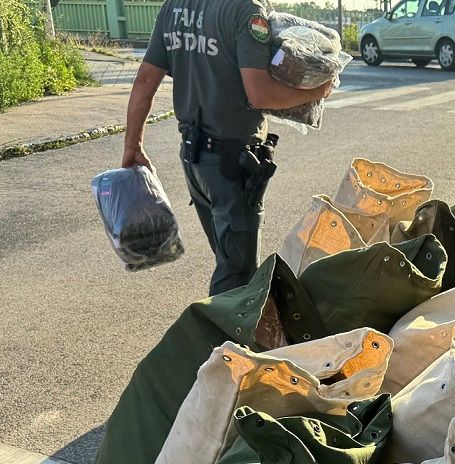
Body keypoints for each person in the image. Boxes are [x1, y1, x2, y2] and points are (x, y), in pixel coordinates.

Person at [122, 0, 333, 296]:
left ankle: (231, 335)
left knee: (228, 261)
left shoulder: (176, 6)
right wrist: (318, 90)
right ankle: (221, 339)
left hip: (194, 159)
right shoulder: (246, 11)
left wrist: (133, 145)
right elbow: (259, 93)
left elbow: (145, 81)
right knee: (237, 276)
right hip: (232, 163)